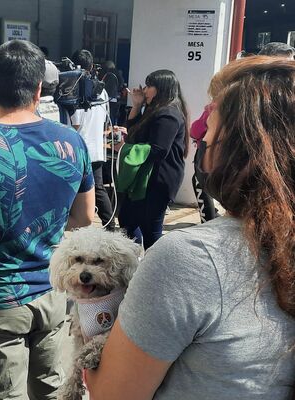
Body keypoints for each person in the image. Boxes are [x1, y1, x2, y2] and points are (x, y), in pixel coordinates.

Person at [84, 55, 295, 400]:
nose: (201, 139)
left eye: (208, 133)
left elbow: (111, 392)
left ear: (239, 150)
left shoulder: (189, 260)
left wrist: (94, 327)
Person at [0, 39, 95, 400]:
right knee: (54, 392)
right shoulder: (71, 142)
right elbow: (85, 217)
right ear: (39, 89)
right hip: (53, 294)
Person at [117, 70, 189, 249]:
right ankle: (133, 263)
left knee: (150, 228)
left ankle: (152, 268)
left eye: (149, 86)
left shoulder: (168, 114)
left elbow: (159, 150)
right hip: (143, 177)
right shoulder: (153, 109)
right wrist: (136, 105)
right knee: (127, 220)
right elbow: (133, 133)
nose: (145, 89)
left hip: (158, 179)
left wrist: (128, 150)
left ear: (161, 89)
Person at [70, 50, 115, 230]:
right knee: (98, 189)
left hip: (80, 150)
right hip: (96, 148)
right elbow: (105, 120)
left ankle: (80, 226)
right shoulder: (101, 90)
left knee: (76, 191)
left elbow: (75, 124)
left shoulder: (76, 89)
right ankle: (110, 226)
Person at [189, 104, 218, 223]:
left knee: (201, 186)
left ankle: (209, 221)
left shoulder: (213, 107)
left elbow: (196, 131)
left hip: (208, 153)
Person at [101, 60, 123, 125]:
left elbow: (103, 84)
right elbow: (121, 83)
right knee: (113, 115)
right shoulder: (118, 73)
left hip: (107, 97)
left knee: (107, 115)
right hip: (114, 97)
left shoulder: (107, 73)